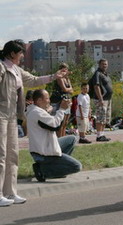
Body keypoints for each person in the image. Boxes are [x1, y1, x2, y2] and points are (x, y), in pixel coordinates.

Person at [0, 39, 66, 206]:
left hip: (12, 116)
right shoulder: (1, 67)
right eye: (21, 52)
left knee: (12, 155)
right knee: (1, 155)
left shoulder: (16, 69)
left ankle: (10, 193)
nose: (22, 55)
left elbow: (34, 80)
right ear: (12, 53)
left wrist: (54, 76)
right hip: (0, 115)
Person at [26, 89, 82, 182]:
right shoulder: (37, 113)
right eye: (47, 98)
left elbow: (48, 122)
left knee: (72, 139)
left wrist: (51, 110)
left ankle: (57, 167)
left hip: (43, 147)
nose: (49, 100)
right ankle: (43, 171)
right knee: (77, 166)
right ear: (39, 100)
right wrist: (62, 109)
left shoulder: (34, 110)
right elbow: (55, 125)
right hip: (43, 154)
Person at [88, 59, 113, 142]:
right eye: (103, 64)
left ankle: (102, 135)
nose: (104, 66)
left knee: (104, 118)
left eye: (106, 64)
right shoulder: (97, 74)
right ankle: (99, 136)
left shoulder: (105, 74)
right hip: (101, 99)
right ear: (99, 65)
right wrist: (100, 99)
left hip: (107, 99)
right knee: (100, 117)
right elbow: (96, 86)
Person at [50, 63, 73, 137]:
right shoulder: (59, 78)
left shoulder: (67, 79)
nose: (65, 70)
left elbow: (71, 90)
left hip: (67, 99)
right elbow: (64, 89)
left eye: (66, 69)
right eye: (63, 69)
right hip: (59, 100)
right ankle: (59, 138)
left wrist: (68, 90)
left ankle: (63, 137)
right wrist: (69, 89)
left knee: (65, 122)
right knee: (60, 122)